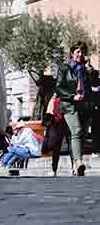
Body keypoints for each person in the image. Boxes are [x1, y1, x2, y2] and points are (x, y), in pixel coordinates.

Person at [54, 41, 93, 176]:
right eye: (77, 52)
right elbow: (58, 87)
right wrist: (72, 96)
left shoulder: (86, 69)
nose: (80, 55)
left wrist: (90, 71)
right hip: (69, 105)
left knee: (81, 134)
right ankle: (78, 162)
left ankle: (76, 165)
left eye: (82, 52)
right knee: (76, 130)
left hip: (84, 105)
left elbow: (93, 87)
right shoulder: (65, 68)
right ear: (72, 54)